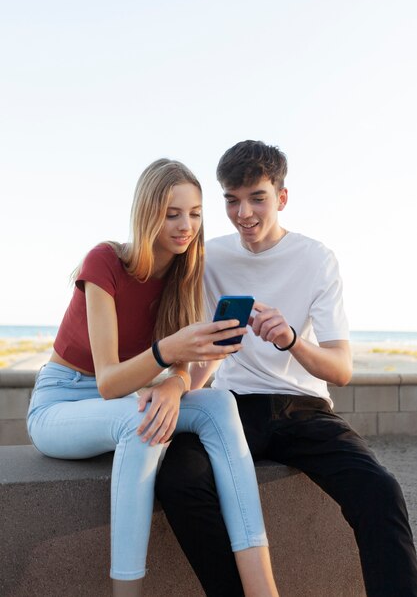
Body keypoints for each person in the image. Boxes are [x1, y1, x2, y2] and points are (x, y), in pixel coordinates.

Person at [156, 141, 417, 597]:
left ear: (281, 197)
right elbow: (200, 353)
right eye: (232, 200)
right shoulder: (209, 257)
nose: (244, 213)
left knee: (380, 490)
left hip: (305, 409)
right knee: (179, 478)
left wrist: (292, 340)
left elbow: (340, 369)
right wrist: (179, 386)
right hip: (232, 407)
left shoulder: (316, 259)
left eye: (257, 197)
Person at [26, 158, 280, 597]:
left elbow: (180, 370)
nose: (186, 226)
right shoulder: (104, 262)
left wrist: (175, 380)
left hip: (128, 397)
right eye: (172, 213)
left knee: (220, 403)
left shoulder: (183, 274)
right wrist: (167, 354)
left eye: (196, 213)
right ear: (148, 213)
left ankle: (261, 588)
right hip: (61, 402)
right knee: (143, 424)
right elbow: (107, 381)